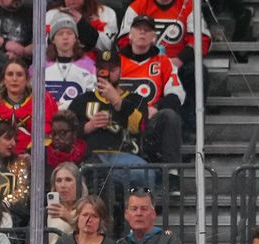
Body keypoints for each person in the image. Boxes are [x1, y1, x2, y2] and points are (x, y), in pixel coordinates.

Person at [117, 0, 211, 133]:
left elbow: (201, 40)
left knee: (197, 71)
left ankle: (189, 129)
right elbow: (124, 40)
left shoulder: (188, 5)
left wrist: (177, 61)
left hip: (177, 63)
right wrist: (147, 57)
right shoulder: (138, 5)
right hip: (144, 63)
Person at [69, 48, 151, 191]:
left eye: (112, 69)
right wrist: (88, 126)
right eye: (102, 69)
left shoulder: (136, 99)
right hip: (91, 157)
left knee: (147, 174)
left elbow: (139, 128)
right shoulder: (82, 100)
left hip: (126, 157)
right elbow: (65, 132)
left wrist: (118, 102)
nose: (107, 74)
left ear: (120, 70)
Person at [119, 14, 185, 167]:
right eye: (138, 28)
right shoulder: (117, 60)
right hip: (120, 118)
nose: (142, 32)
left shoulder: (164, 62)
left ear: (154, 37)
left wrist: (155, 108)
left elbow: (176, 95)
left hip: (150, 121)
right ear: (130, 34)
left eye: (147, 30)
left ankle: (172, 174)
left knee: (170, 116)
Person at [0, 57, 58, 156]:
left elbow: (48, 134)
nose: (14, 79)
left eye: (19, 75)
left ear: (27, 79)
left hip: (35, 159)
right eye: (10, 74)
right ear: (3, 79)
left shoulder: (42, 101)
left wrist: (30, 154)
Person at [111, 186, 191, 244]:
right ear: (126, 215)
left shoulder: (169, 242)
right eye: (134, 209)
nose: (139, 213)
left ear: (153, 214)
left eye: (144, 209)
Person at [41, 14, 96, 110]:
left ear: (75, 38)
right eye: (60, 33)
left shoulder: (89, 65)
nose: (65, 37)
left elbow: (92, 96)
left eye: (69, 33)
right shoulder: (40, 65)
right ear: (53, 39)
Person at [48, 194, 115, 244]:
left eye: (94, 216)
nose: (89, 220)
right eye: (85, 215)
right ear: (77, 217)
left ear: (101, 220)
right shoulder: (63, 243)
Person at [46, 0, 118, 54]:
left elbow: (108, 46)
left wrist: (82, 24)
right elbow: (41, 48)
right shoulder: (51, 14)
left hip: (96, 66)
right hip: (60, 64)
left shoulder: (105, 13)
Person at [47, 161, 86, 244]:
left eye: (68, 180)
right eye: (58, 180)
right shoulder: (48, 211)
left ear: (79, 184)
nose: (63, 185)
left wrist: (70, 218)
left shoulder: (87, 208)